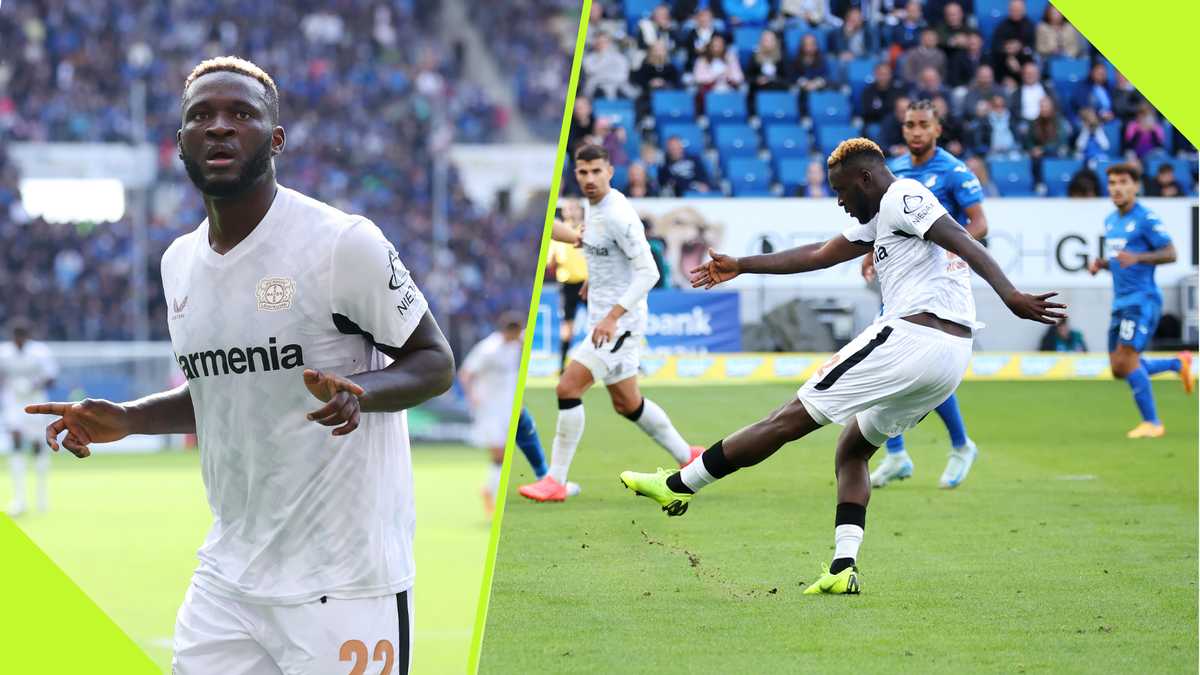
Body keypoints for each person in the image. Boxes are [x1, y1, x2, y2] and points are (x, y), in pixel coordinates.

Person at [26, 57, 456, 674]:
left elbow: (433, 362)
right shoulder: (178, 264)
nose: (219, 127)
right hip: (230, 580)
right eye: (201, 116)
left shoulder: (341, 243)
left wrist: (361, 390)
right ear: (180, 143)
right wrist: (127, 417)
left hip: (344, 582)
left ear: (274, 138)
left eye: (241, 115)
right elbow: (219, 391)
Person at [620, 137, 1064, 595]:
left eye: (842, 190)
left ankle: (679, 483)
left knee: (787, 418)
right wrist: (744, 265)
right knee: (852, 448)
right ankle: (843, 567)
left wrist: (1010, 294)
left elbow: (961, 238)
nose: (839, 200)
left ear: (866, 179)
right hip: (949, 357)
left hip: (913, 338)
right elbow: (817, 254)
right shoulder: (883, 216)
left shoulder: (903, 197)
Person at [518, 144, 701, 502]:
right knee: (628, 403)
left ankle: (555, 480)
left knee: (567, 388)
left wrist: (613, 316)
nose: (589, 179)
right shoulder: (595, 208)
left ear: (610, 171)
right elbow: (600, 250)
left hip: (619, 324)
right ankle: (688, 457)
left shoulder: (618, 213)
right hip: (606, 317)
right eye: (583, 172)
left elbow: (649, 272)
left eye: (596, 171)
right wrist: (596, 280)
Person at [868, 99, 989, 489]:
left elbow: (979, 223)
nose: (916, 131)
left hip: (938, 289)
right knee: (882, 365)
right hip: (900, 283)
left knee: (922, 368)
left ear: (937, 129)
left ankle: (960, 445)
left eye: (923, 124)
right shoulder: (897, 171)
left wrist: (947, 244)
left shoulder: (954, 172)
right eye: (909, 125)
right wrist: (872, 253)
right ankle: (897, 454)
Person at [1087, 163, 1193, 437]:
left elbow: (1171, 253)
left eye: (1123, 182)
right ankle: (1177, 364)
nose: (1117, 188)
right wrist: (1104, 264)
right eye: (1112, 183)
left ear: (1136, 186)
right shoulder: (1111, 220)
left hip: (1142, 299)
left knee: (1129, 361)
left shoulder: (1146, 218)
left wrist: (1139, 257)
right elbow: (1122, 260)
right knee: (1118, 368)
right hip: (1120, 300)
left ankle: (1153, 423)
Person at [460, 312, 525, 515]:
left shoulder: (517, 344)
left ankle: (491, 490)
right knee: (499, 453)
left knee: (506, 453)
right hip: (489, 407)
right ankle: (492, 494)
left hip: (507, 406)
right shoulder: (488, 349)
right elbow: (465, 373)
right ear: (509, 331)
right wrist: (472, 397)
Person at [1, 319, 58, 516]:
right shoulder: (4, 353)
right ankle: (19, 499)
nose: (19, 341)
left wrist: (33, 385)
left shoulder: (40, 353)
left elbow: (51, 379)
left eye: (22, 337)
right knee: (16, 440)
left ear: (27, 336)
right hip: (13, 404)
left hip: (36, 404)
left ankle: (41, 497)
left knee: (37, 446)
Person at [548, 203, 588, 371]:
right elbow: (550, 263)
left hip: (587, 283)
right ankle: (562, 366)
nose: (571, 211)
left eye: (574, 208)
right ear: (563, 211)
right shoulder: (557, 232)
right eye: (568, 208)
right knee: (567, 327)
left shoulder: (588, 231)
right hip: (566, 285)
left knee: (598, 324)